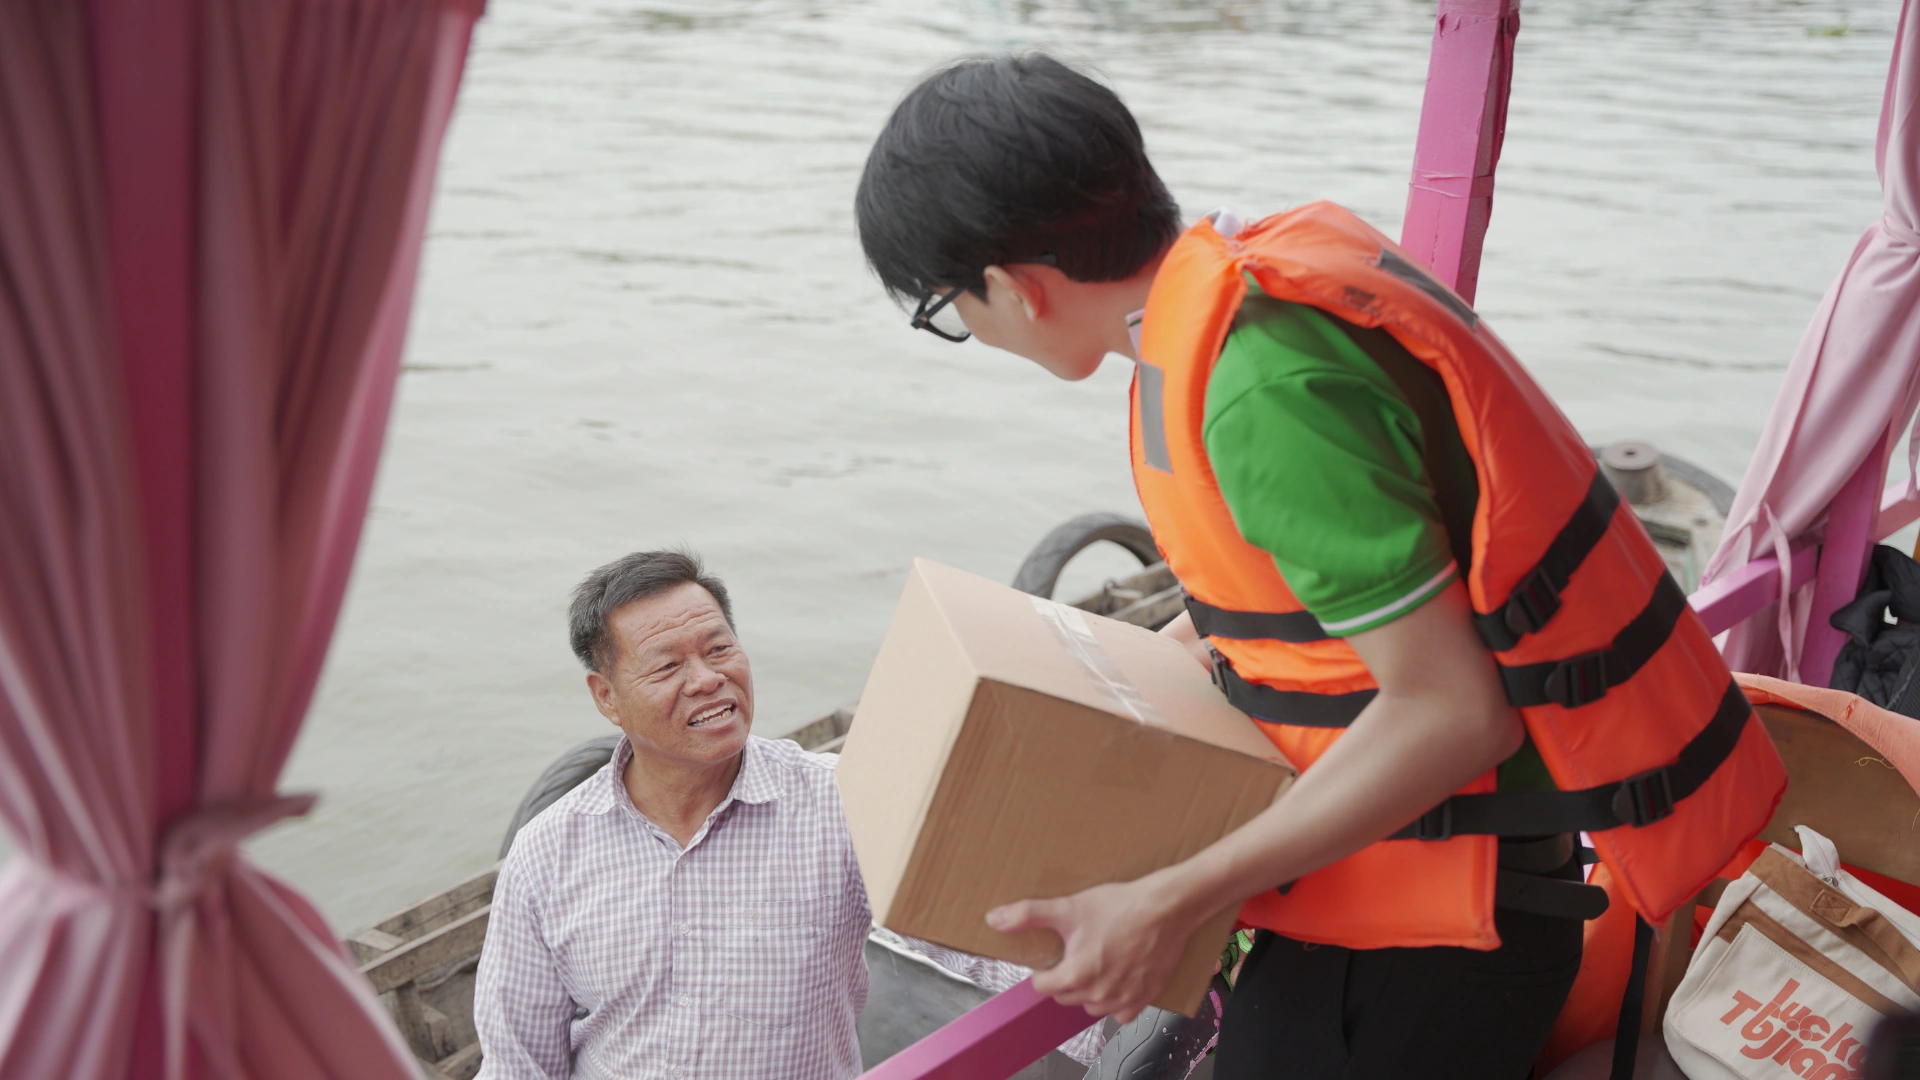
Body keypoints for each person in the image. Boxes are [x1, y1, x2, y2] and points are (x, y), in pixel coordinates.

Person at [854, 55, 1786, 1079]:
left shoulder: (1262, 387)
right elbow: (1283, 601)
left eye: (950, 307)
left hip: (1441, 930)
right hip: (1397, 891)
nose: (970, 331)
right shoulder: (1229, 307)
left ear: (1015, 288)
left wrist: (1169, 900)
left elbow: (1451, 712)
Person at [471, 550, 1100, 1080]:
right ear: (606, 697)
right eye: (667, 667)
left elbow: (992, 946)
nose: (707, 679)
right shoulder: (547, 853)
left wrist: (1143, 989)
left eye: (719, 650)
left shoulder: (844, 801)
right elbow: (517, 1062)